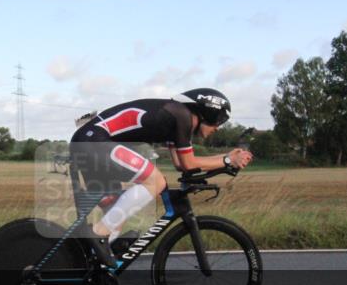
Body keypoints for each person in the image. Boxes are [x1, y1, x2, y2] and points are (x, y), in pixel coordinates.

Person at [68, 88, 253, 266]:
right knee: (155, 181)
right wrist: (228, 159)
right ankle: (98, 234)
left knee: (115, 212)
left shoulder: (176, 118)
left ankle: (88, 266)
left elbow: (181, 164)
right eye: (219, 120)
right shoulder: (182, 116)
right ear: (208, 113)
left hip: (89, 140)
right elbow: (189, 163)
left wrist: (226, 159)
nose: (218, 128)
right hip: (95, 141)